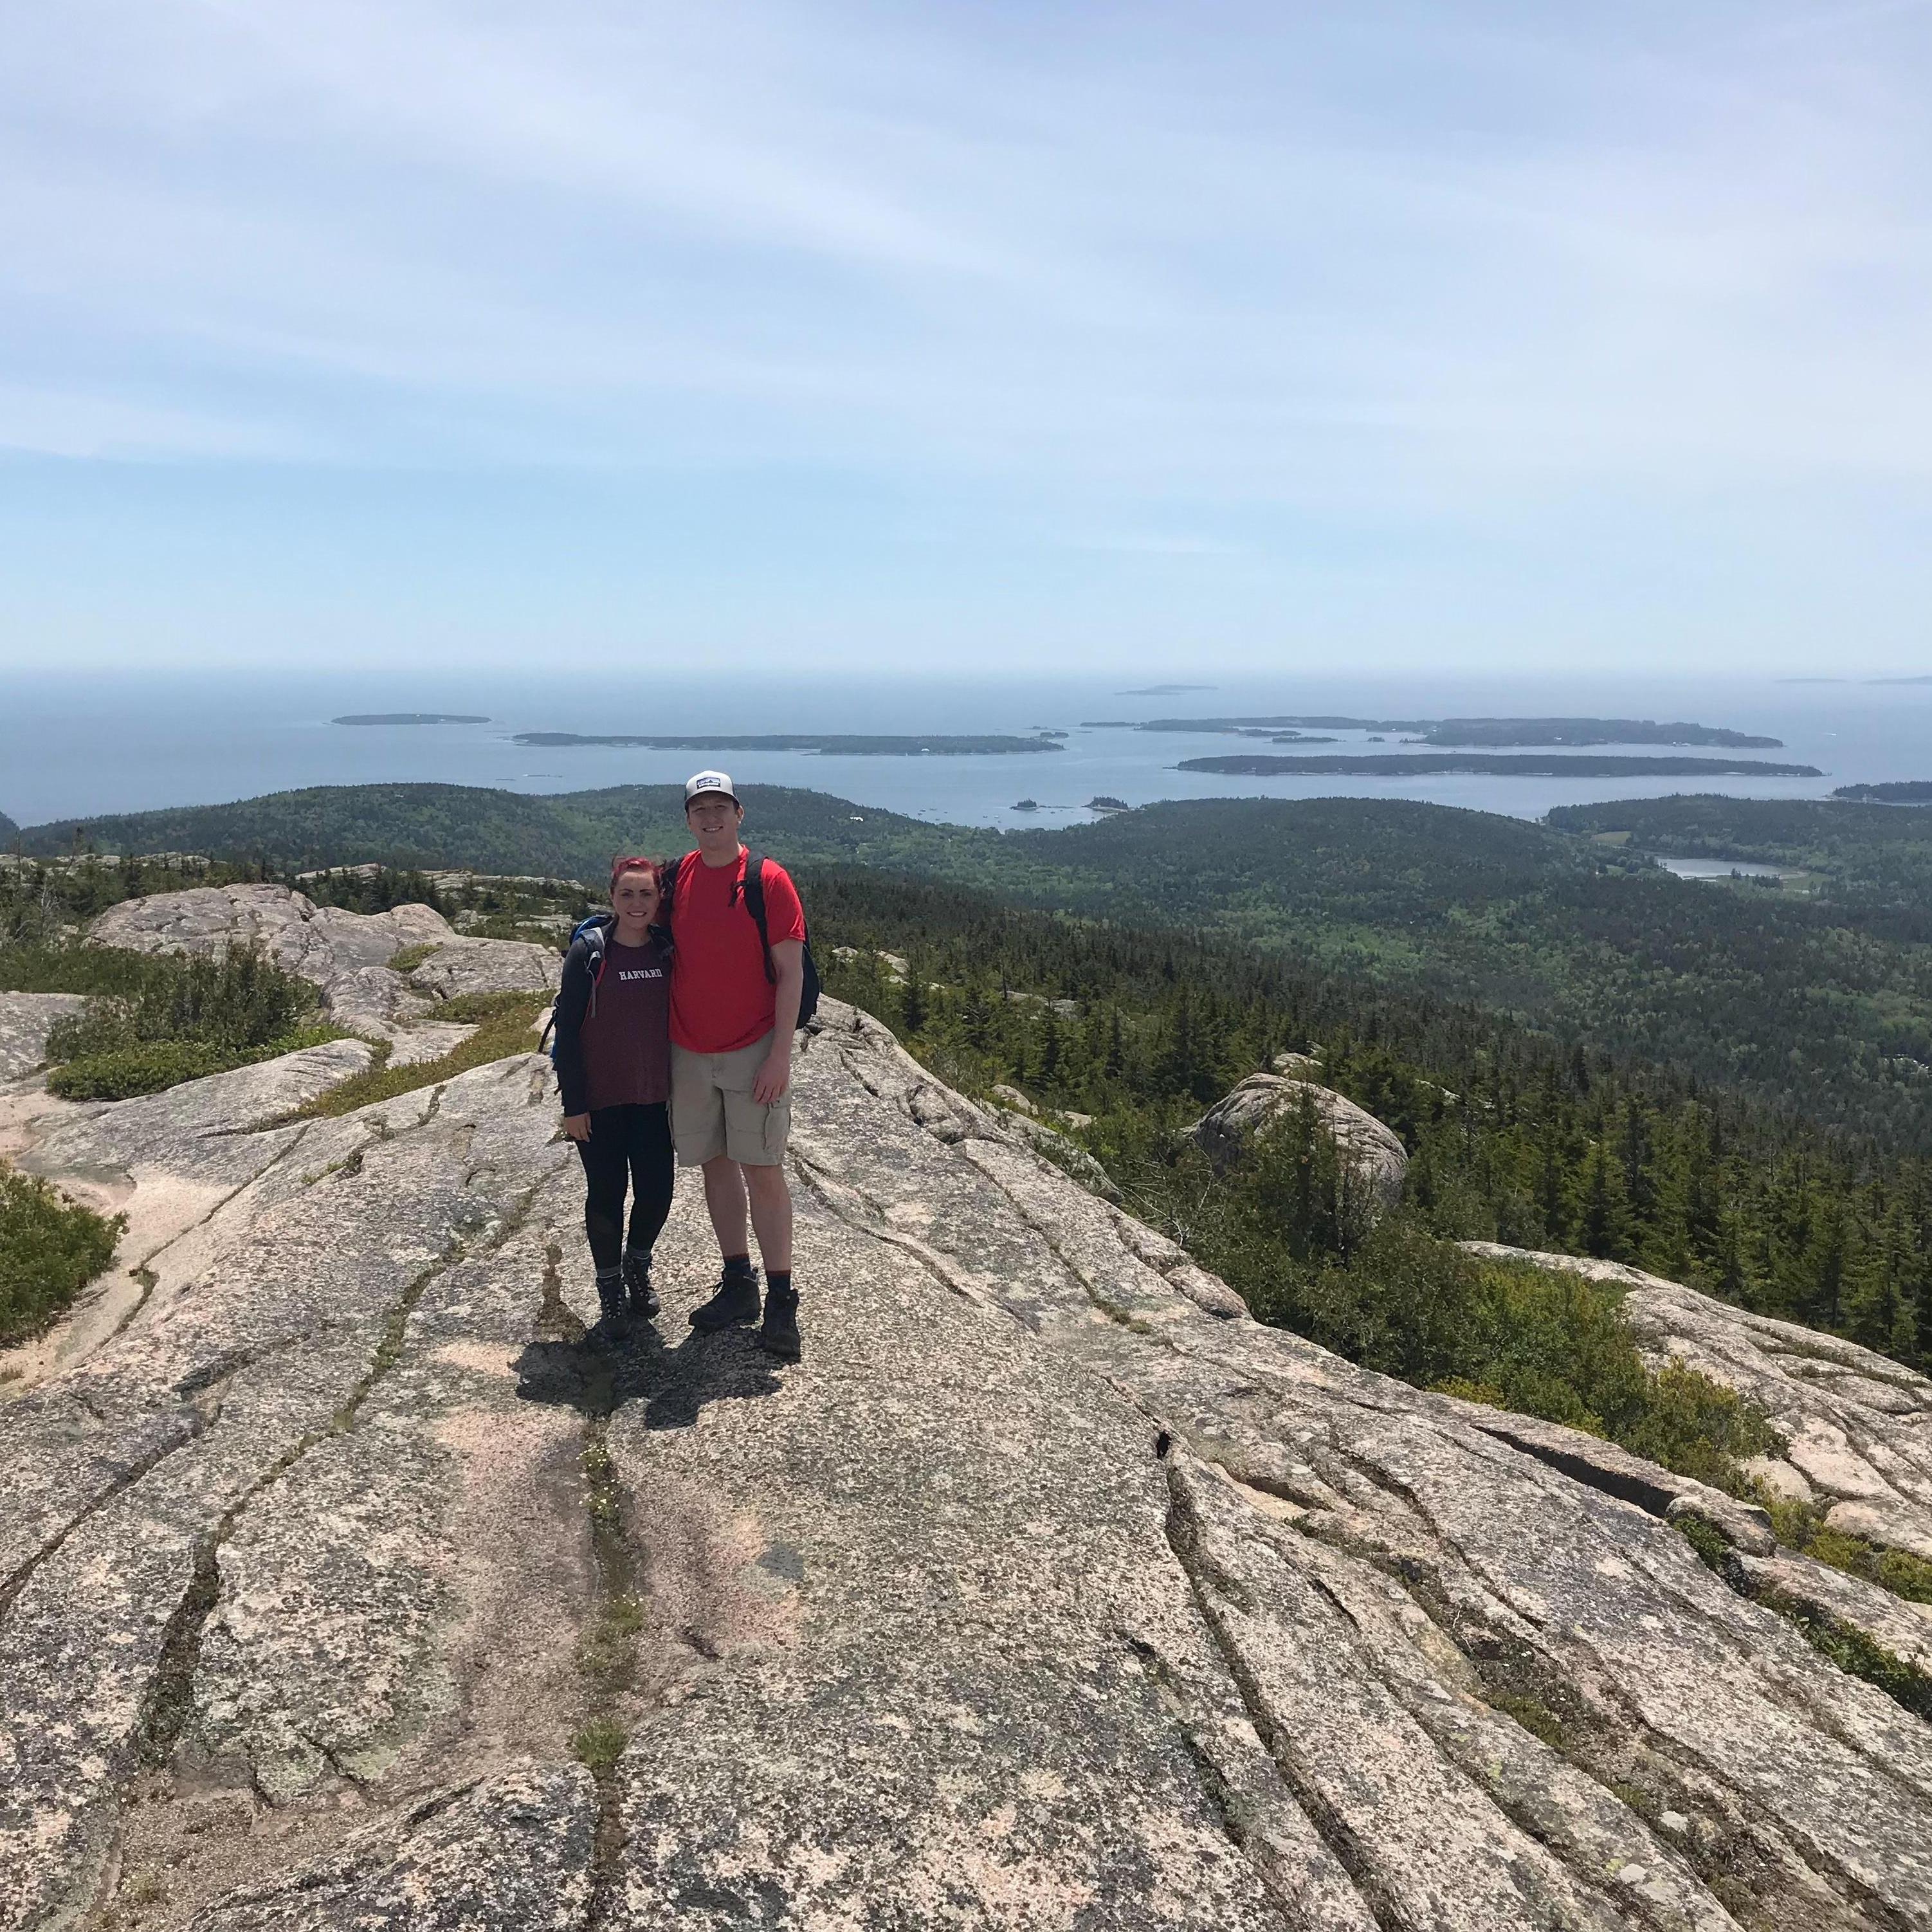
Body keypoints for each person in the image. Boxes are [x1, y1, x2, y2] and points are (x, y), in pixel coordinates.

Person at [668, 771, 807, 1360]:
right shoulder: (676, 877)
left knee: (763, 1170)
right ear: (689, 818)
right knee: (715, 1166)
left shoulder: (767, 880)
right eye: (701, 809)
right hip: (690, 1051)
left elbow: (791, 972)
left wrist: (780, 1055)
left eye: (720, 806)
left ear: (739, 813)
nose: (711, 817)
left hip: (753, 1050)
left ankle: (780, 1300)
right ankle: (738, 1284)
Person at [552, 857, 674, 1341]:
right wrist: (574, 1105)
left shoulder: (667, 949)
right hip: (599, 1101)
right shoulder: (589, 953)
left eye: (646, 894)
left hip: (652, 1098)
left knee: (658, 1190)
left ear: (658, 899)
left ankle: (637, 1263)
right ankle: (609, 1289)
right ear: (612, 898)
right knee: (606, 1194)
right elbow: (568, 1029)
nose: (638, 903)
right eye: (628, 894)